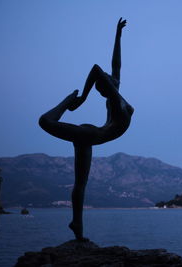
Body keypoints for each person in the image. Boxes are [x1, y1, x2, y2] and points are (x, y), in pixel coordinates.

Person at [39, 18, 134, 241]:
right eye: (110, 82)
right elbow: (97, 70)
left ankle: (77, 227)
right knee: (45, 121)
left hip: (90, 136)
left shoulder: (116, 99)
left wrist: (118, 34)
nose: (114, 80)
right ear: (108, 87)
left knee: (81, 183)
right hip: (91, 134)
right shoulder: (117, 102)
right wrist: (79, 99)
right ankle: (66, 100)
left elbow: (115, 65)